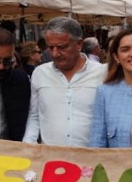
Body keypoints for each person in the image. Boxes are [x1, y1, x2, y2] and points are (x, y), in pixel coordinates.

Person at [23, 17, 106, 146]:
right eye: (50, 48)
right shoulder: (40, 73)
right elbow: (34, 116)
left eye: (62, 47)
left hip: (91, 160)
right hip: (50, 160)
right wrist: (28, 146)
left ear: (79, 44)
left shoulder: (102, 73)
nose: (55, 54)